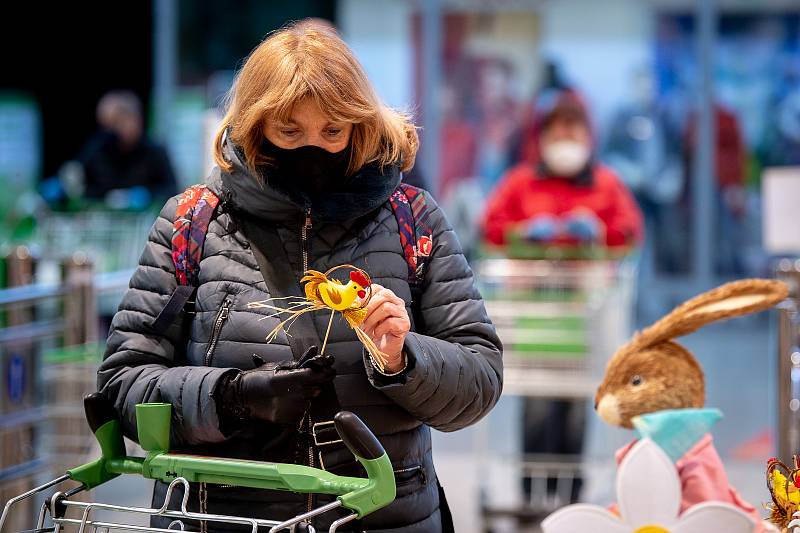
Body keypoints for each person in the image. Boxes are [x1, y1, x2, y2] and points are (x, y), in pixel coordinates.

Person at [97, 21, 502, 533]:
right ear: (253, 125)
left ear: (361, 124)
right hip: (221, 516)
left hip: (382, 515)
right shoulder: (191, 222)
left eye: (333, 131)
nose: (312, 147)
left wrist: (404, 359)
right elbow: (122, 384)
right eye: (289, 130)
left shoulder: (412, 220)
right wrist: (232, 396)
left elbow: (481, 378)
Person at [483, 88, 643, 251]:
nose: (565, 146)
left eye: (572, 139)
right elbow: (489, 229)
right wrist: (523, 232)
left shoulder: (608, 184)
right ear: (542, 141)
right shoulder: (518, 182)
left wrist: (599, 232)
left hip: (591, 275)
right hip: (529, 275)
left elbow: (631, 232)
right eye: (557, 139)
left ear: (589, 141)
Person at [78, 90, 178, 208]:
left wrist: (147, 195)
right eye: (115, 124)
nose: (122, 128)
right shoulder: (99, 149)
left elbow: (172, 190)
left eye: (125, 120)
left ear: (138, 120)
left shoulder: (155, 151)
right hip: (105, 217)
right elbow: (82, 184)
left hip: (146, 220)